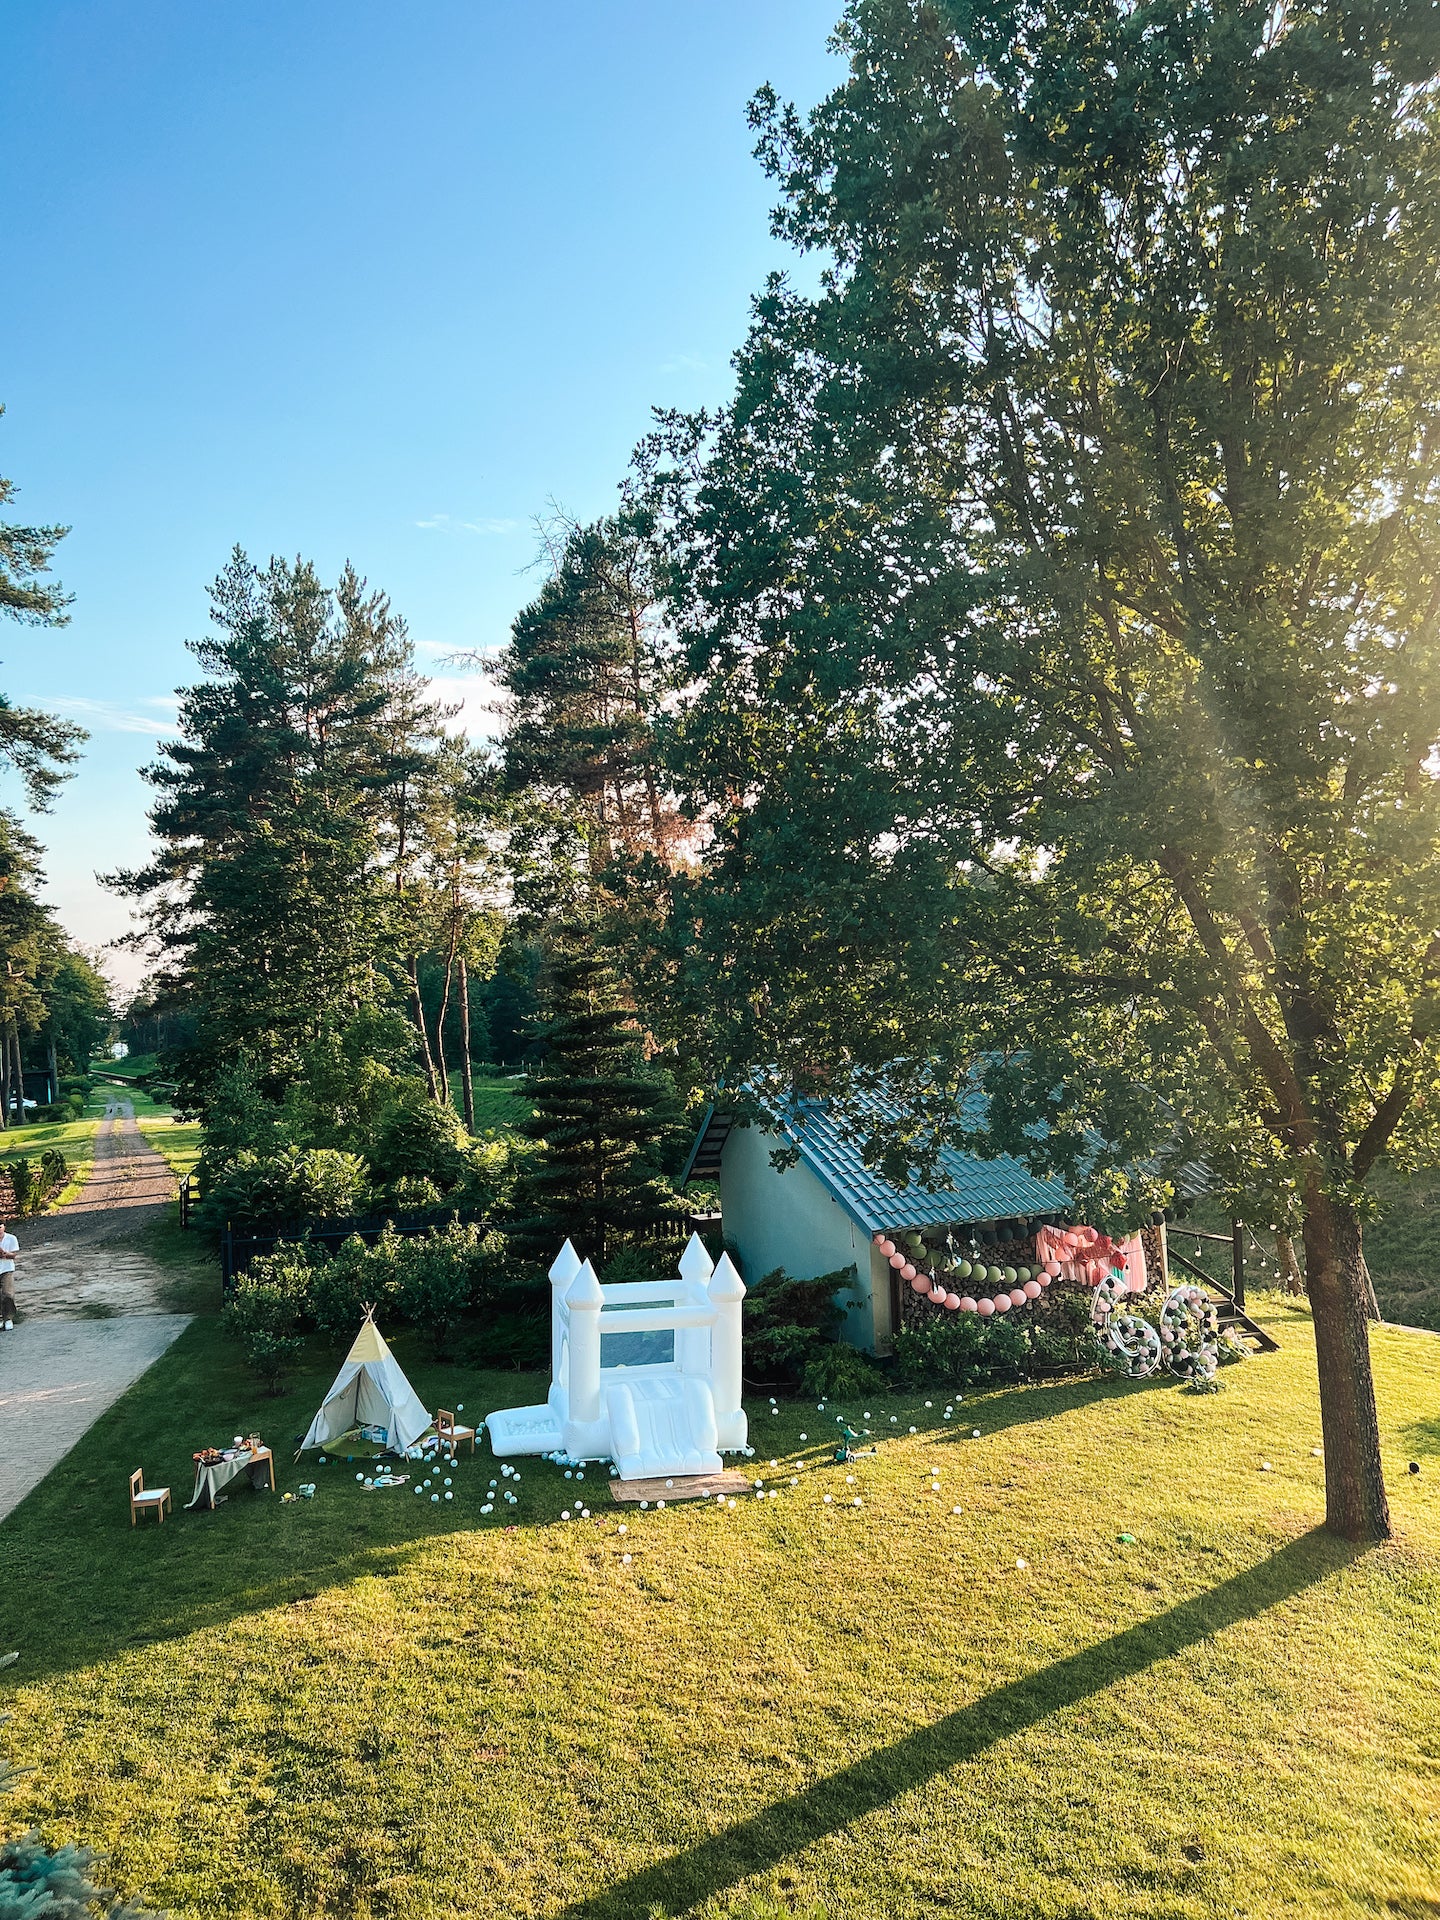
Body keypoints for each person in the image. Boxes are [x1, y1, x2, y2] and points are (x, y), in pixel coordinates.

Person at [0, 1218, 17, 1330]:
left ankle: (8, 1318)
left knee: (8, 1294)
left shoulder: (11, 1238)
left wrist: (5, 1254)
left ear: (4, 1227)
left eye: (0, 1227)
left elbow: (14, 1254)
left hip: (6, 1268)